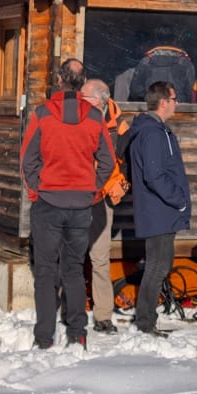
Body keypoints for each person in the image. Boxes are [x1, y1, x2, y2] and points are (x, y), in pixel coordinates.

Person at [21, 64, 115, 349]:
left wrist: (36, 190)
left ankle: (44, 337)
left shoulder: (42, 114)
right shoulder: (96, 117)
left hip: (49, 200)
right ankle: (77, 332)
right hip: (80, 203)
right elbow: (108, 161)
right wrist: (92, 189)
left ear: (59, 79)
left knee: (46, 271)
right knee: (73, 269)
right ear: (83, 81)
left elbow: (27, 159)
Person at [125, 81, 190, 337]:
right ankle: (145, 321)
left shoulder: (157, 130)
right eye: (174, 99)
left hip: (161, 210)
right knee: (157, 265)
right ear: (163, 102)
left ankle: (146, 318)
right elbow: (154, 175)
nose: (176, 103)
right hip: (159, 210)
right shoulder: (152, 133)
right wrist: (178, 199)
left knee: (160, 264)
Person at [79, 77, 130, 335]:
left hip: (101, 199)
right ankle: (70, 310)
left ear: (100, 101)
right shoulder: (75, 120)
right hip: (75, 196)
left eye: (84, 98)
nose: (78, 102)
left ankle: (103, 317)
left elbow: (128, 160)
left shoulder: (119, 127)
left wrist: (122, 183)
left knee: (99, 258)